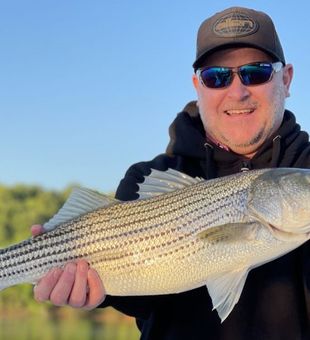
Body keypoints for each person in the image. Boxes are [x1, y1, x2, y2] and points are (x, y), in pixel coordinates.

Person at [31, 6, 310, 339]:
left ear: (286, 78)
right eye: (216, 76)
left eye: (256, 72)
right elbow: (147, 302)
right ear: (197, 85)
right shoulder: (145, 179)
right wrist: (93, 290)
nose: (238, 91)